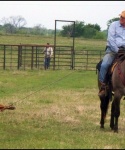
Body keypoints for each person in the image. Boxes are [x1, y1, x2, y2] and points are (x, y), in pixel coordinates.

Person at [98, 10, 125, 97]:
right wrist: (117, 50)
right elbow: (111, 39)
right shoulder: (114, 25)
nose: (121, 18)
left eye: (123, 18)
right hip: (113, 50)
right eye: (121, 16)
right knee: (104, 64)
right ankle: (103, 86)